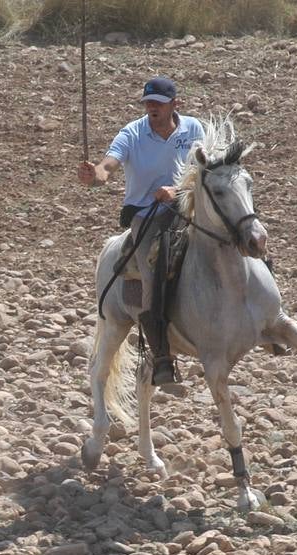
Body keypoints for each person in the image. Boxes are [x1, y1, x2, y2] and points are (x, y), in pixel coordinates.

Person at [78, 77, 205, 385]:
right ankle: (162, 355)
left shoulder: (194, 129)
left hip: (188, 205)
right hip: (148, 215)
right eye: (148, 103)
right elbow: (108, 167)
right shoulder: (132, 133)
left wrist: (177, 190)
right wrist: (94, 174)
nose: (152, 108)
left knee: (236, 231)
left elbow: (205, 169)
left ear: (175, 105)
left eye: (158, 103)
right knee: (153, 267)